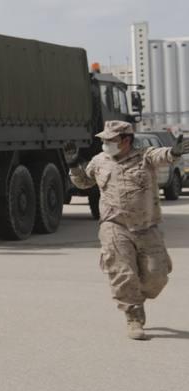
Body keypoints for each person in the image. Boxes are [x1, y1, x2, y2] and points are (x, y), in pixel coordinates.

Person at [70, 120, 185, 340]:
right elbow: (84, 183)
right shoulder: (99, 161)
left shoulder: (145, 156)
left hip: (146, 226)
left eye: (110, 140)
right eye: (103, 139)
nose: (105, 143)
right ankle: (133, 316)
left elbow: (164, 155)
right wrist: (74, 165)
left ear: (126, 140)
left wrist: (174, 151)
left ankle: (136, 295)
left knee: (156, 279)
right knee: (122, 273)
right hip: (114, 226)